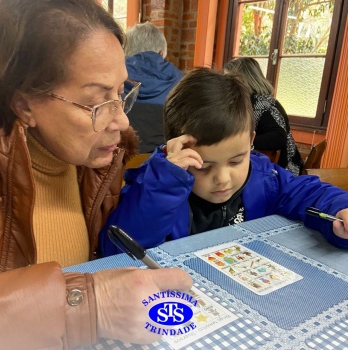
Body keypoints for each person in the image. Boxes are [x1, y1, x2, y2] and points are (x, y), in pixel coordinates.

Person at [0, 0, 192, 349]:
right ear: (24, 105)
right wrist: (89, 303)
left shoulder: (98, 163)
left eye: (121, 93)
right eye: (96, 102)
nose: (122, 122)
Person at [100, 68, 348, 258]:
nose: (223, 179)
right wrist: (166, 182)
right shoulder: (157, 184)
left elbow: (308, 193)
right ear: (173, 149)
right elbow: (117, 250)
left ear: (251, 140)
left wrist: (339, 211)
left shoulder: (265, 177)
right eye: (204, 166)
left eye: (236, 160)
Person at [223, 57, 303, 176]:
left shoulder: (260, 104)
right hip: (282, 166)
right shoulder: (264, 99)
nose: (226, 85)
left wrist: (243, 143)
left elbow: (279, 137)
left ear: (242, 80)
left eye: (229, 80)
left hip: (284, 172)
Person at [124, 22, 184, 153]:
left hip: (116, 163)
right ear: (161, 52)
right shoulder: (183, 85)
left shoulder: (110, 80)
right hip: (164, 163)